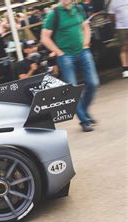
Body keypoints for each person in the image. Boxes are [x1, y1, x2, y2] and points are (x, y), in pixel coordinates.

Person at [41, 0, 99, 132]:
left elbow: (85, 27)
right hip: (66, 56)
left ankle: (84, 112)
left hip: (83, 52)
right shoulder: (53, 14)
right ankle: (84, 121)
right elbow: (44, 37)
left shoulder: (78, 8)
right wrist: (59, 52)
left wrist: (86, 43)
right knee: (73, 89)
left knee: (93, 83)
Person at [108, 0, 128, 78]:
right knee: (124, 47)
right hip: (121, 27)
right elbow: (111, 16)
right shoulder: (113, 3)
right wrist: (117, 22)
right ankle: (125, 69)